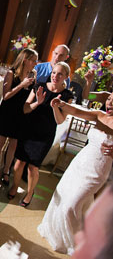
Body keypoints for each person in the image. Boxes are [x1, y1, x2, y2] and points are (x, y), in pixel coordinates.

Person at [35, 93, 113, 254]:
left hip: (97, 171)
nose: (110, 103)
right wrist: (61, 104)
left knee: (72, 205)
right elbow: (77, 111)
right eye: (110, 99)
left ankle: (79, 242)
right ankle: (61, 234)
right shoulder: (100, 115)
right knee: (63, 195)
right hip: (80, 163)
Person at [10, 61, 73, 207]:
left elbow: (60, 121)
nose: (55, 76)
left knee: (33, 167)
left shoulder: (66, 95)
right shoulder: (40, 86)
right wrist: (38, 102)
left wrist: (56, 107)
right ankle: (15, 186)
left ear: (66, 77)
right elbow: (25, 109)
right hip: (29, 130)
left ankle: (30, 193)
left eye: (60, 74)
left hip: (45, 135)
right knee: (19, 163)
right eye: (54, 72)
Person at [0, 48, 37, 184]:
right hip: (8, 112)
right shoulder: (11, 73)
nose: (35, 63)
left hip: (21, 114)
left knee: (13, 144)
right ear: (25, 60)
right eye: (33, 60)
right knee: (0, 142)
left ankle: (6, 170)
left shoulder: (33, 74)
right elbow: (6, 96)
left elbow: (31, 95)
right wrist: (22, 85)